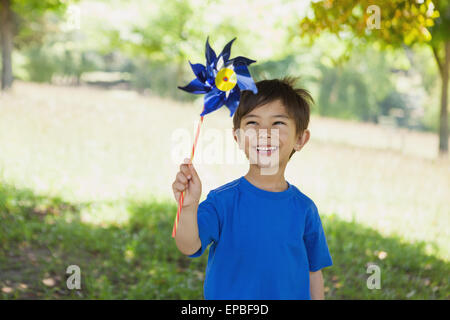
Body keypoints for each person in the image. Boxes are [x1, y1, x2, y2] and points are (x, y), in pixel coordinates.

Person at [172, 77, 333, 300]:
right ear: (237, 137)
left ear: (300, 139)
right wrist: (188, 206)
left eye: (278, 123)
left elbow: (313, 271)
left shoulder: (305, 208)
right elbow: (188, 245)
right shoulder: (222, 202)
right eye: (253, 123)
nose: (264, 133)